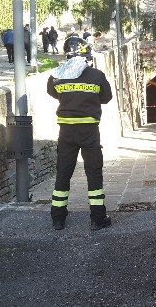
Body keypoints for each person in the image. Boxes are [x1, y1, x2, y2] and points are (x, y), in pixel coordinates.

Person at [47, 56, 113, 231]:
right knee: (93, 173)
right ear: (87, 60)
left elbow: (52, 92)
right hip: (89, 131)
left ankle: (58, 219)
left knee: (63, 173)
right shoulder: (97, 75)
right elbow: (107, 97)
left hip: (66, 132)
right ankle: (98, 219)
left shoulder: (58, 75)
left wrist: (69, 98)